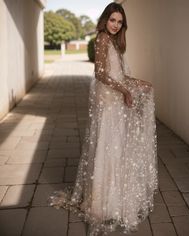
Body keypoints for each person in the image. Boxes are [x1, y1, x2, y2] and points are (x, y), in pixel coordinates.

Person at [48, 2, 158, 236]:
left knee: (116, 150)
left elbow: (118, 75)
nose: (116, 25)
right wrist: (126, 91)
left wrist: (138, 83)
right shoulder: (102, 39)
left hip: (115, 102)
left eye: (120, 22)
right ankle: (101, 204)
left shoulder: (115, 44)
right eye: (112, 20)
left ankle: (114, 200)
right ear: (105, 20)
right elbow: (99, 73)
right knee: (108, 149)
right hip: (108, 105)